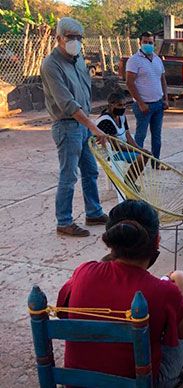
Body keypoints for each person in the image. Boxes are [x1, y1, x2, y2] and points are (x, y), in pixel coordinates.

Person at [57, 200, 183, 387]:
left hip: (78, 382)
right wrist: (180, 281)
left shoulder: (83, 272)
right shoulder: (163, 291)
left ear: (111, 240)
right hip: (140, 383)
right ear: (157, 241)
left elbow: (62, 313)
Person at [41, 17, 108, 237]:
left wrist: (90, 124)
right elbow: (67, 103)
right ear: (59, 38)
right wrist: (93, 126)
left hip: (83, 124)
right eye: (71, 37)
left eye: (79, 37)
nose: (76, 41)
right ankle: (64, 221)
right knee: (68, 175)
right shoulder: (51, 65)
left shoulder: (78, 59)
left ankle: (93, 212)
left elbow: (85, 91)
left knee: (90, 170)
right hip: (67, 126)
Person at [126, 32, 169, 163]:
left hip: (158, 104)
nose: (148, 45)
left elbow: (162, 80)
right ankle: (136, 163)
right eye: (145, 42)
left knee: (157, 136)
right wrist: (140, 103)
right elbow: (130, 82)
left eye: (150, 42)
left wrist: (165, 98)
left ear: (154, 43)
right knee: (141, 135)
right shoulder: (134, 60)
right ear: (140, 43)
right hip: (143, 105)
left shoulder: (157, 59)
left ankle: (156, 162)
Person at [96, 92, 150, 188]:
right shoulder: (105, 120)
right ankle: (128, 184)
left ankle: (130, 181)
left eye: (125, 105)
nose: (123, 107)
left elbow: (128, 135)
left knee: (145, 155)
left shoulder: (121, 117)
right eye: (119, 105)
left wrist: (139, 148)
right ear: (111, 105)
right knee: (140, 157)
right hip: (109, 152)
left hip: (120, 149)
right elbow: (114, 145)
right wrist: (137, 151)